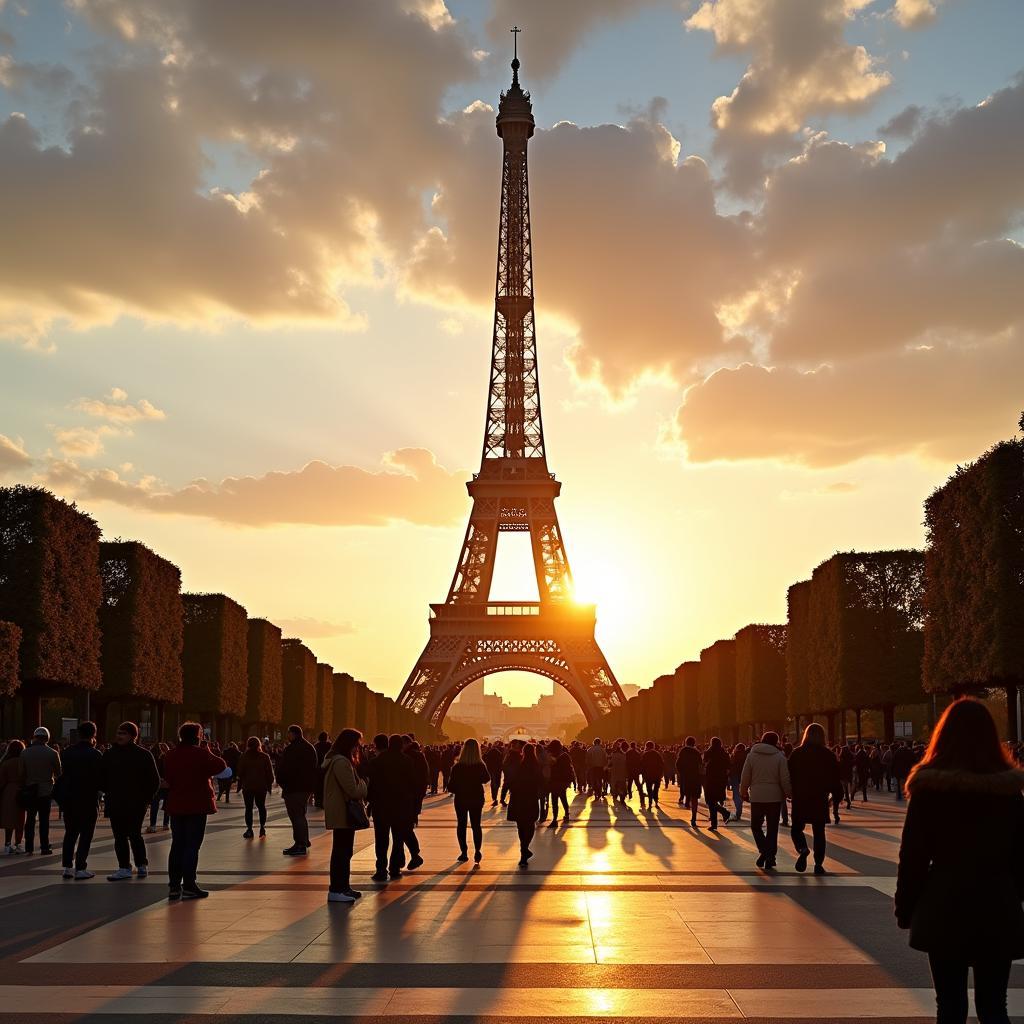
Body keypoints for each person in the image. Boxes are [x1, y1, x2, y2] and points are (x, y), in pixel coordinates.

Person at [895, 698, 1024, 1024]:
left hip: (944, 903)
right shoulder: (1009, 791)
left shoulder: (929, 789)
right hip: (996, 902)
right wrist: (1015, 897)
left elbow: (912, 856)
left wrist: (906, 907)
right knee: (995, 1005)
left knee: (950, 1006)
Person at [162, 722, 227, 900]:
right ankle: (189, 884)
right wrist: (208, 750)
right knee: (192, 846)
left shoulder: (170, 755)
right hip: (197, 805)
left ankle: (174, 886)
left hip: (176, 804)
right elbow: (221, 766)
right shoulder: (201, 754)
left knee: (177, 845)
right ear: (198, 736)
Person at [101, 721, 161, 880]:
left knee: (132, 834)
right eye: (119, 733)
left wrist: (146, 799)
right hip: (123, 801)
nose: (119, 736)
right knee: (122, 835)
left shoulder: (113, 754)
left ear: (133, 736)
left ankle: (136, 865)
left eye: (123, 733)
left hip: (132, 801)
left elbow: (154, 780)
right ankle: (128, 866)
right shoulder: (140, 754)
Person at [365, 733, 421, 881]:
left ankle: (381, 869)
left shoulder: (377, 761)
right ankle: (394, 868)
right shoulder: (407, 761)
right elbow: (413, 784)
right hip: (402, 806)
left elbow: (371, 784)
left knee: (381, 839)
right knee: (398, 839)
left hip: (381, 805)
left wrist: (369, 801)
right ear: (401, 745)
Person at [788, 722, 842, 875]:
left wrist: (789, 791)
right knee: (819, 832)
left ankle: (802, 848)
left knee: (796, 829)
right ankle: (818, 864)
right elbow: (835, 778)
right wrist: (837, 796)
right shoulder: (828, 754)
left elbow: (789, 774)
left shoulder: (797, 753)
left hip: (801, 796)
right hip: (819, 797)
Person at [323, 728, 368, 903]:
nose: (359, 747)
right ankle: (336, 889)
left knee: (344, 851)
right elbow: (353, 791)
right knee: (342, 852)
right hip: (343, 812)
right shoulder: (341, 762)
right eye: (357, 743)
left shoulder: (337, 760)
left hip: (342, 812)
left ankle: (343, 887)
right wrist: (364, 784)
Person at [739, 731, 792, 870]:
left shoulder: (751, 755)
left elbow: (745, 777)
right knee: (772, 829)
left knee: (756, 826)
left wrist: (742, 792)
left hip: (757, 796)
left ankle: (764, 851)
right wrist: (789, 793)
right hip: (774, 797)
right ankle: (770, 856)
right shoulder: (780, 757)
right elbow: (784, 778)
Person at [57, 721, 103, 879]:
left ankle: (67, 866)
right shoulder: (96, 755)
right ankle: (80, 867)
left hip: (70, 798)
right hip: (88, 798)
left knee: (70, 833)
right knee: (86, 835)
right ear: (94, 734)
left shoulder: (67, 752)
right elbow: (100, 778)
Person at [276, 725, 320, 856]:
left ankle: (300, 844)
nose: (287, 736)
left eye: (288, 733)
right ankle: (303, 841)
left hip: (293, 787)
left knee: (296, 816)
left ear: (293, 734)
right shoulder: (309, 748)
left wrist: (282, 782)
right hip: (305, 787)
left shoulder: (292, 749)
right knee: (300, 814)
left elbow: (285, 768)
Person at [448, 738, 490, 863]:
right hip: (476, 797)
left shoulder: (457, 767)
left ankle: (464, 852)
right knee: (476, 825)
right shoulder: (480, 765)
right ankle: (477, 851)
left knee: (461, 825)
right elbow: (486, 779)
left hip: (461, 798)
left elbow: (450, 786)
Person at [21, 727, 61, 855]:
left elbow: (21, 773)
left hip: (30, 790)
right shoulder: (53, 753)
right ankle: (44, 846)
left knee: (30, 819)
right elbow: (59, 773)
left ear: (35, 736)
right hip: (45, 790)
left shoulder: (25, 753)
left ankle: (29, 847)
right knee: (44, 820)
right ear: (47, 738)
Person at [507, 742, 542, 867]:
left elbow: (510, 780)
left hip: (518, 798)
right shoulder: (537, 766)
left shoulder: (518, 765)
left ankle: (523, 849)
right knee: (530, 823)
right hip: (531, 798)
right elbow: (541, 781)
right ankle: (525, 848)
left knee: (521, 825)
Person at [236, 736, 275, 839]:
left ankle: (249, 829)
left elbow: (239, 772)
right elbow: (270, 774)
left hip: (248, 786)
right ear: (259, 745)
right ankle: (262, 827)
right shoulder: (265, 757)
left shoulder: (244, 757)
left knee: (248, 808)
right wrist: (269, 784)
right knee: (261, 806)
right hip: (261, 786)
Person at [1, 740, 26, 855]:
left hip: (9, 791)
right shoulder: (24, 762)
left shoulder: (5, 763)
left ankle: (7, 844)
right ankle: (18, 843)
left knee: (9, 819)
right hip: (22, 790)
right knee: (20, 819)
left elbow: (1, 781)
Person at [702, 737, 732, 831]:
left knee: (710, 801)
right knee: (714, 801)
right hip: (721, 780)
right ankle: (719, 817)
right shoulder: (724, 754)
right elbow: (728, 767)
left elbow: (703, 763)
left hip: (710, 779)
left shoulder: (708, 753)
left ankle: (722, 815)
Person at [676, 737, 703, 825]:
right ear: (694, 743)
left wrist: (681, 773)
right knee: (694, 798)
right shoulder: (697, 752)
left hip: (686, 776)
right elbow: (700, 765)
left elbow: (678, 764)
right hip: (695, 777)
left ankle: (686, 802)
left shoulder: (682, 751)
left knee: (687, 792)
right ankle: (694, 816)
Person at [548, 739, 574, 826]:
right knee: (563, 798)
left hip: (554, 780)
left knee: (554, 800)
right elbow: (569, 769)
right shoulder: (565, 756)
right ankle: (566, 813)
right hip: (562, 781)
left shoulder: (551, 756)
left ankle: (554, 819)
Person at [640, 741, 664, 809]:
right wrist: (661, 773)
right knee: (656, 789)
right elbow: (661, 764)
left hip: (648, 775)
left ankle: (650, 802)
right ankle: (656, 802)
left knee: (649, 789)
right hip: (656, 775)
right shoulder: (657, 754)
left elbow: (642, 765)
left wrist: (643, 775)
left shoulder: (645, 754)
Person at [313, 732, 332, 809]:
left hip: (318, 769)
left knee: (318, 786)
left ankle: (318, 801)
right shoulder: (330, 746)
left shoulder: (315, 746)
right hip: (327, 769)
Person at [729, 743, 747, 822]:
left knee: (735, 795)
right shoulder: (746, 756)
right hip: (744, 776)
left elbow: (730, 766)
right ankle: (739, 810)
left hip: (735, 776)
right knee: (741, 794)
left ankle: (738, 812)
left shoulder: (733, 756)